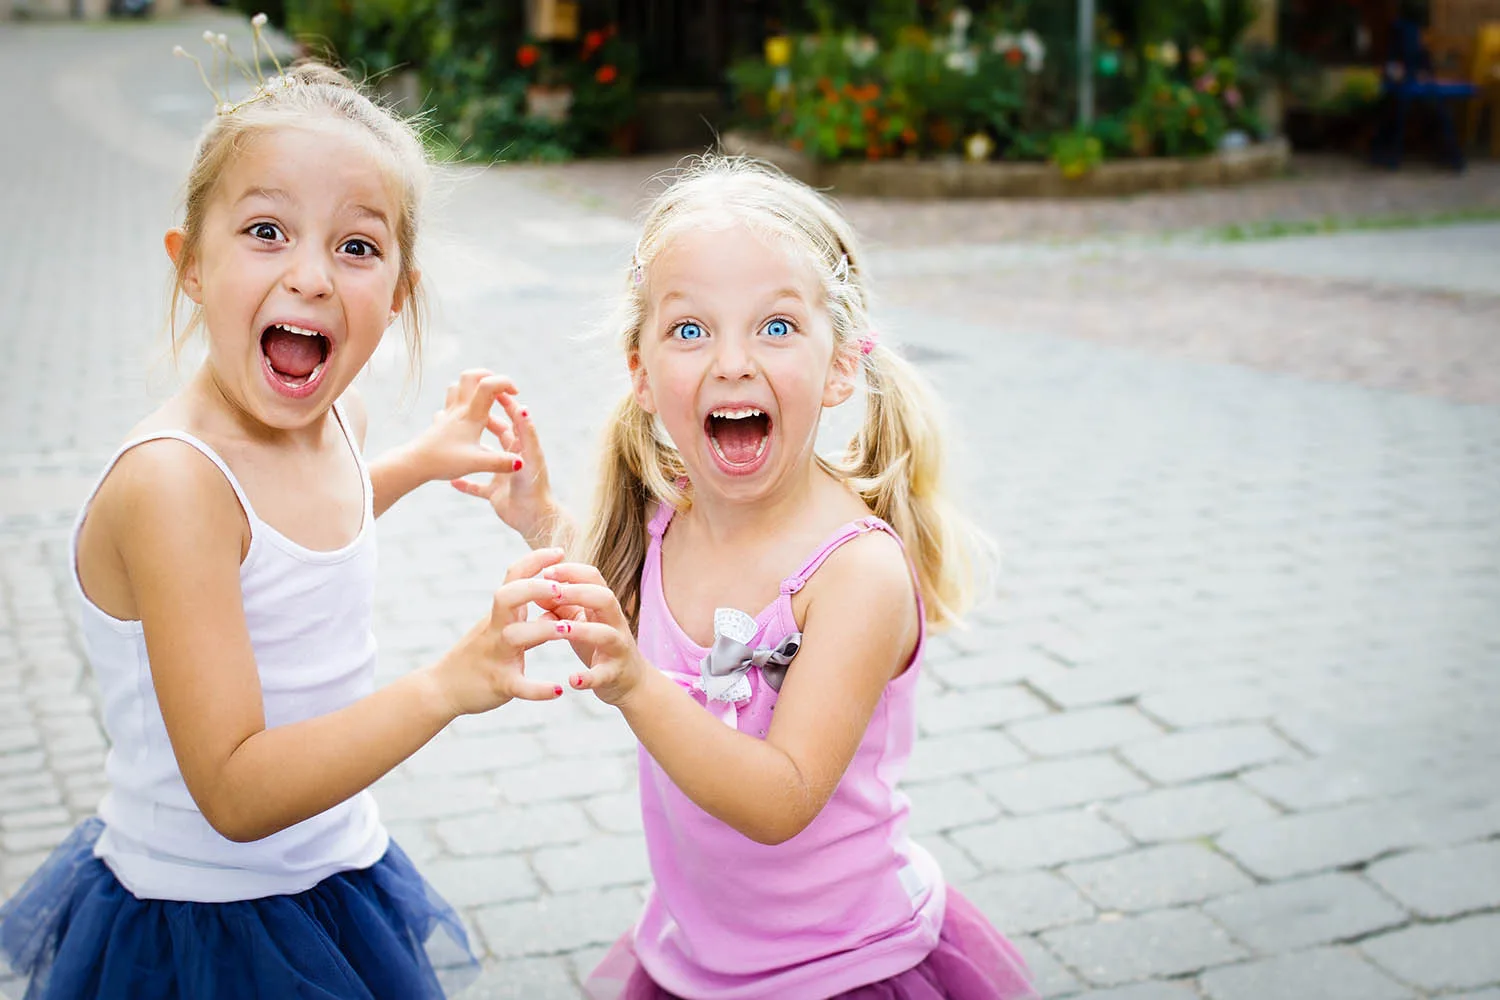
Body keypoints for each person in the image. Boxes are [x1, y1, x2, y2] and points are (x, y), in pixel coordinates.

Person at [0, 39, 567, 1000]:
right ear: (189, 264)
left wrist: (417, 465)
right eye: (267, 230)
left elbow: (299, 540)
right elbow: (235, 788)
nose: (310, 276)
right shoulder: (176, 486)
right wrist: (449, 684)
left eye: (355, 246)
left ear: (397, 297)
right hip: (202, 928)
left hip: (334, 873)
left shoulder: (324, 418)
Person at [493, 156, 1037, 999]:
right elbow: (610, 601)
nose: (733, 362)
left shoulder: (856, 573)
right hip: (694, 957)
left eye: (776, 327)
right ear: (641, 373)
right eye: (690, 329)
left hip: (847, 967)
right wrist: (539, 519)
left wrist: (637, 685)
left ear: (841, 368)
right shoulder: (661, 524)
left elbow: (782, 800)